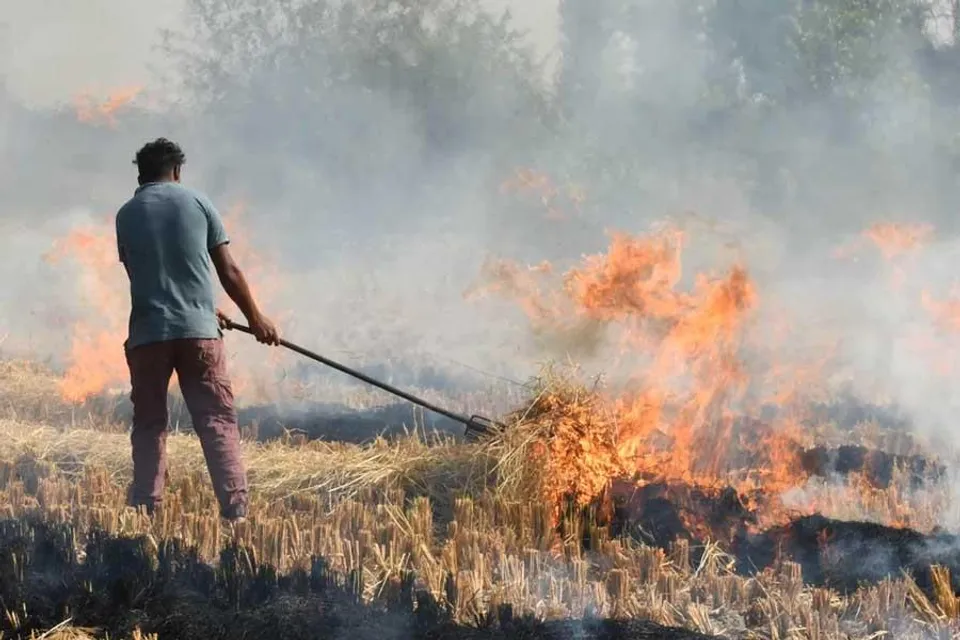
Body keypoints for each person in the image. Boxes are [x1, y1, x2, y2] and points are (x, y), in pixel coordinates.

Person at [115, 137, 280, 522]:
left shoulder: (125, 214)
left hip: (148, 335)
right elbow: (229, 270)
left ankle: (145, 509)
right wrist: (255, 318)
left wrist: (207, 308)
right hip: (199, 334)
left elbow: (143, 273)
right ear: (177, 171)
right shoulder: (197, 202)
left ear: (141, 175)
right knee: (216, 420)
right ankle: (235, 510)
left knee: (150, 423)